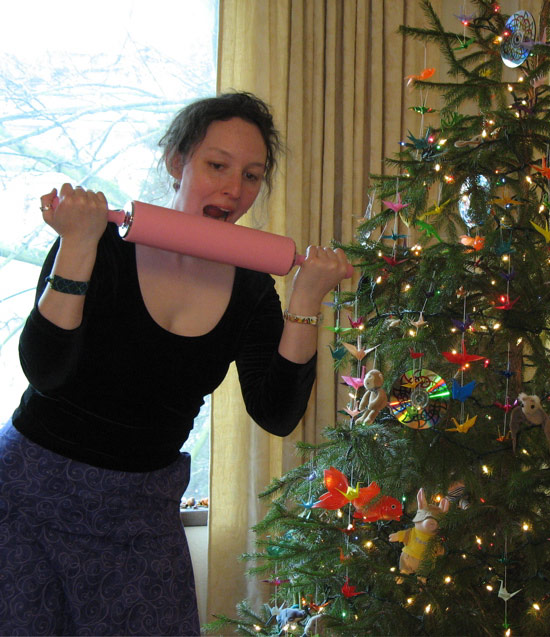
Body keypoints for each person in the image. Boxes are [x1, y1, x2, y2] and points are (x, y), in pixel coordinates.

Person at [0, 92, 350, 635]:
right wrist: (75, 247)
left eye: (253, 176)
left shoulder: (254, 288)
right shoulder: (100, 244)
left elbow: (278, 412)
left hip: (140, 515)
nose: (234, 190)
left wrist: (305, 301)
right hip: (30, 496)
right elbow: (45, 371)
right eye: (217, 166)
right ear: (176, 162)